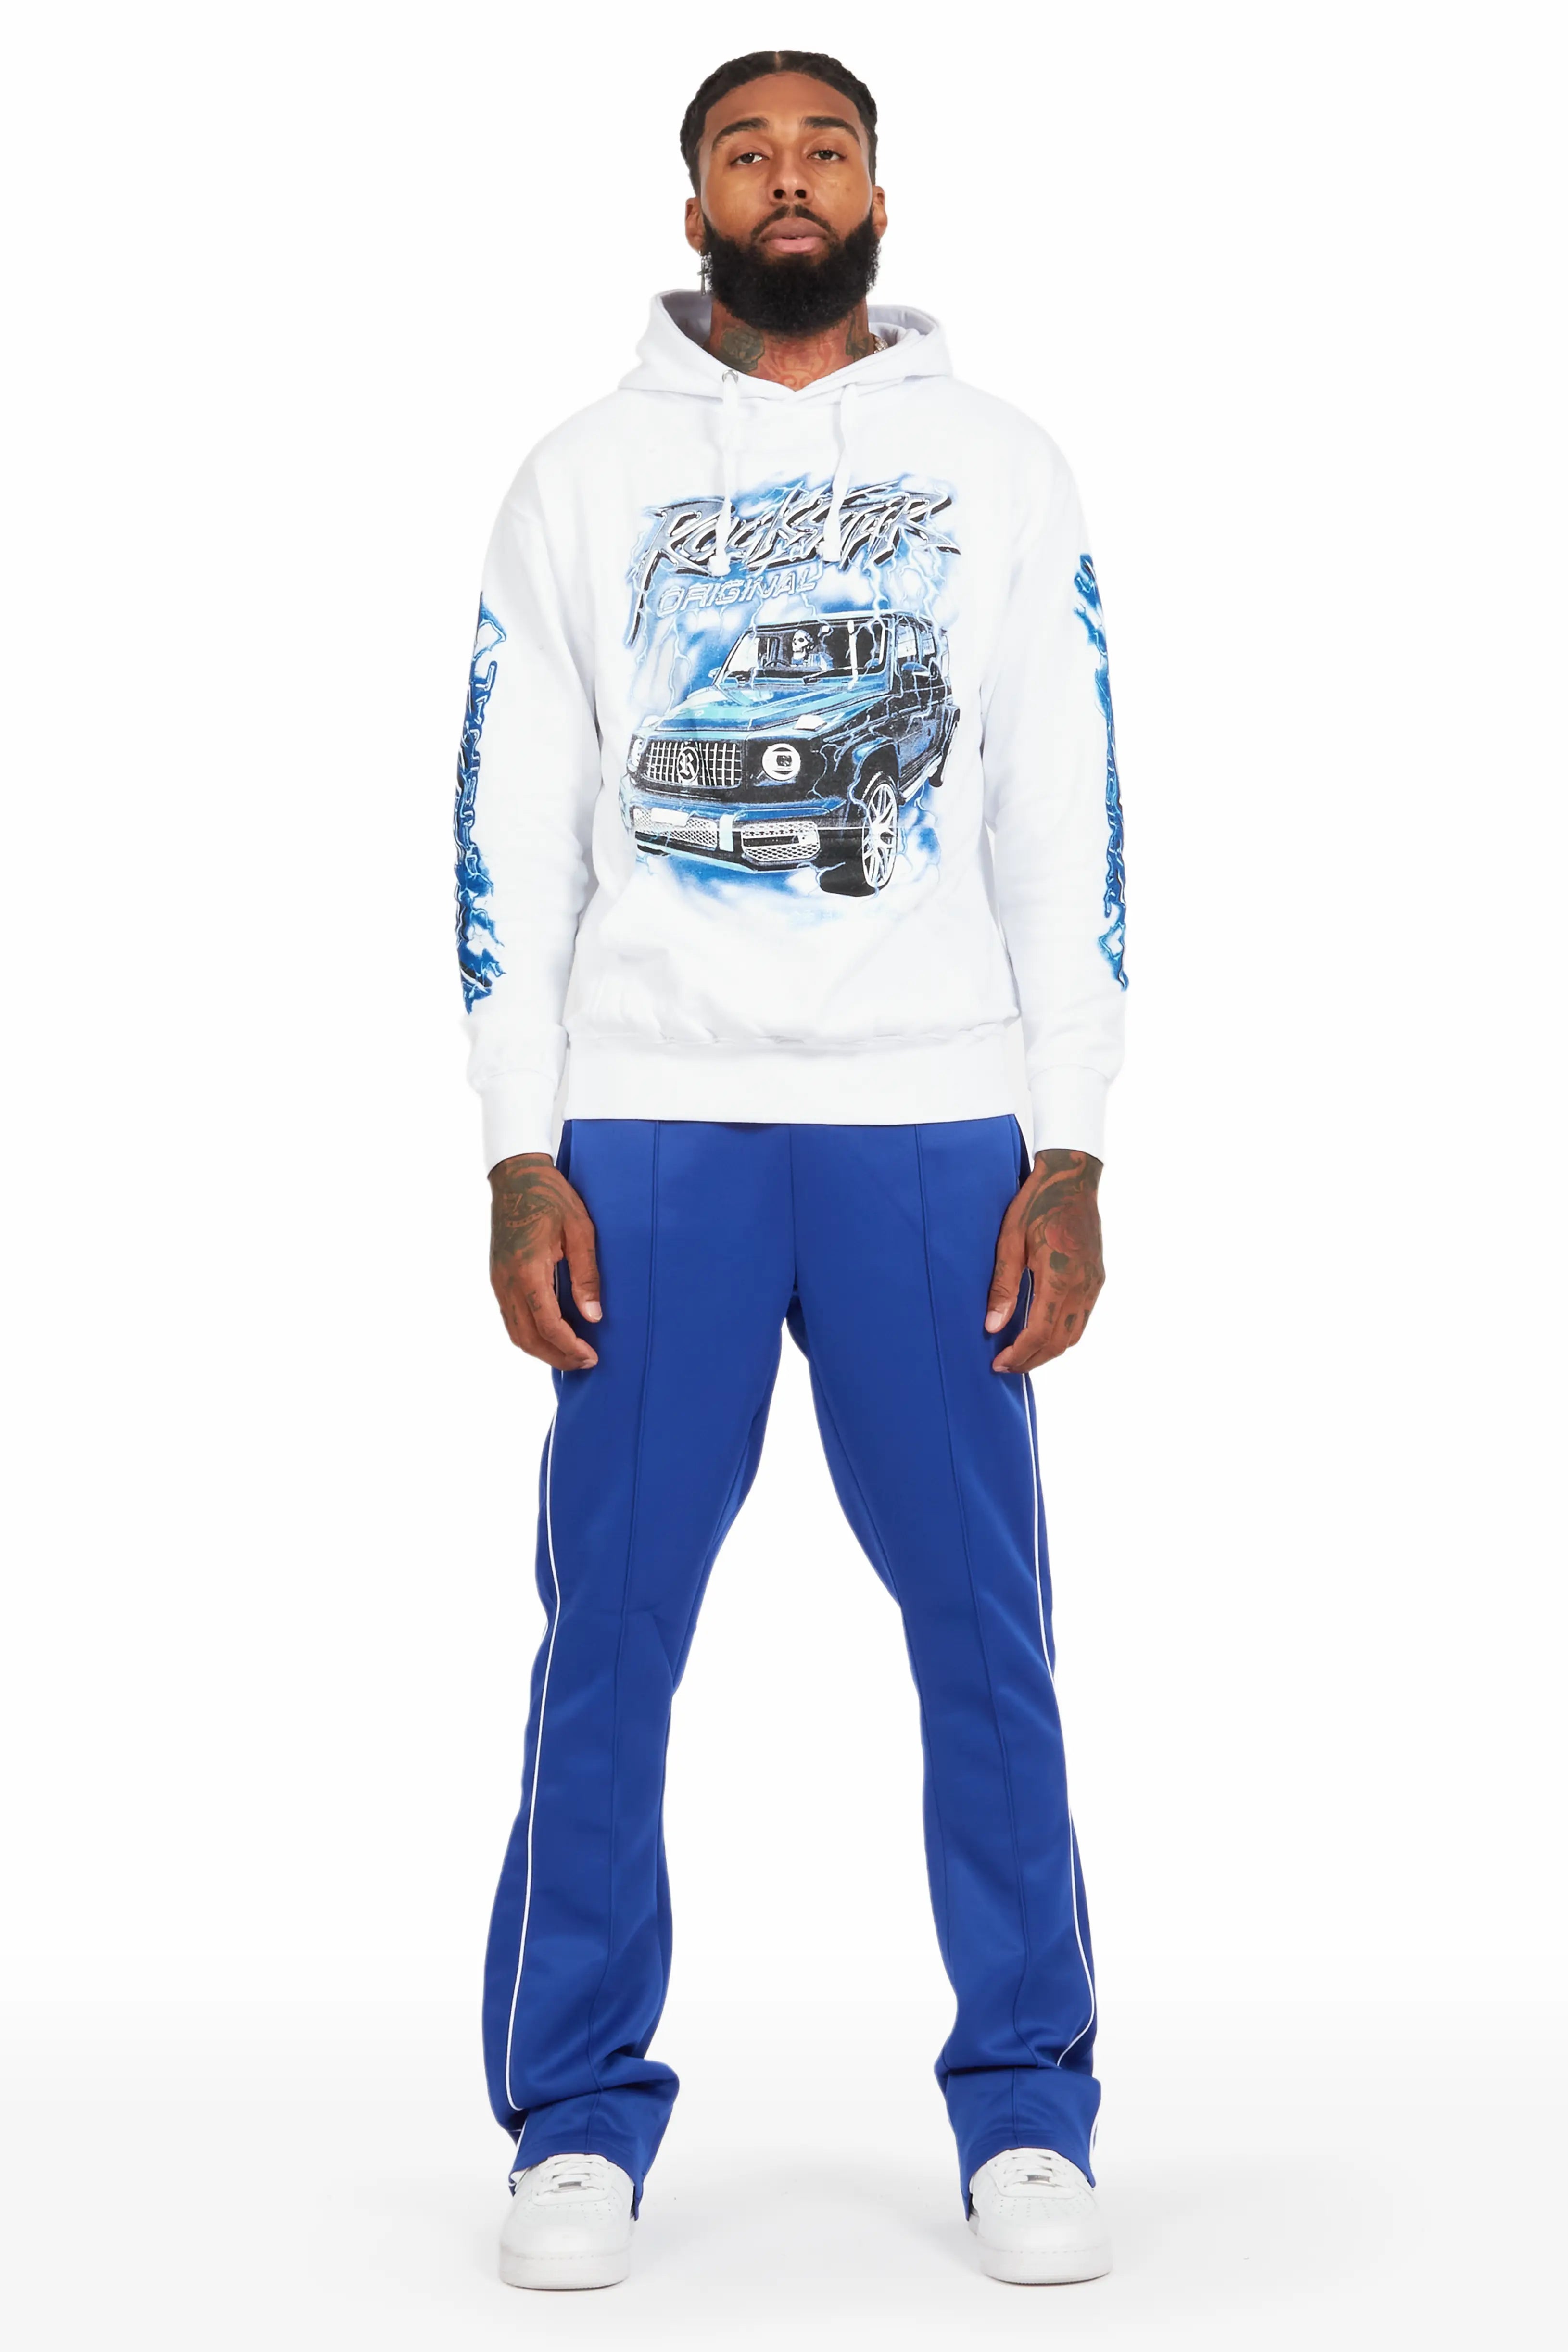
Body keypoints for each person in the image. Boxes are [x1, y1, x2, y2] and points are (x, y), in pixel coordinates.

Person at [455, 47, 1127, 2293]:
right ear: (691, 211)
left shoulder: (998, 466)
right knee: (609, 1639)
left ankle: (1025, 2102)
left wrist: (1069, 1137)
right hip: (652, 1116)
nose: (785, 177)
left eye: (822, 145)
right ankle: (573, 2114)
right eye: (742, 151)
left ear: (876, 191)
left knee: (984, 1632)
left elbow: (1061, 806)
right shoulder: (578, 479)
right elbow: (505, 819)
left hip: (930, 1119)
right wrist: (519, 1148)